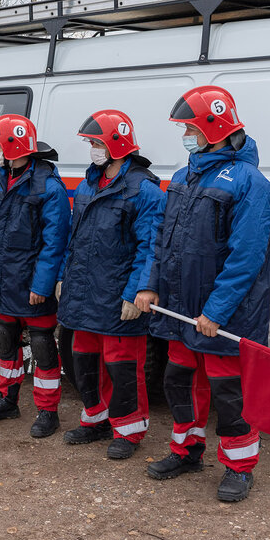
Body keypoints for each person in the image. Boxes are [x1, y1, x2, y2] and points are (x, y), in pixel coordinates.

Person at [134, 86, 270, 503]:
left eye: (189, 128)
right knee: (178, 382)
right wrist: (149, 283)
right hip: (181, 310)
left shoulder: (251, 184)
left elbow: (245, 259)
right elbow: (163, 240)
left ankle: (239, 467)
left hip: (223, 315)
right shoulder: (183, 177)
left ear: (214, 129)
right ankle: (186, 450)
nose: (185, 135)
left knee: (229, 393)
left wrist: (216, 311)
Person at [58, 110, 164, 460]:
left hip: (118, 294)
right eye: (91, 143)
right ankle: (95, 417)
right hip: (85, 292)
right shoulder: (88, 184)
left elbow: (151, 247)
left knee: (122, 366)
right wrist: (62, 276)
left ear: (117, 144)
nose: (92, 149)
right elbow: (73, 240)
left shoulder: (144, 190)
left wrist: (138, 291)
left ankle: (128, 429)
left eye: (96, 142)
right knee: (83, 360)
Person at [0, 114, 70, 438]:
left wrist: (42, 284)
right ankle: (6, 398)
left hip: (30, 285)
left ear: (13, 147)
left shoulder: (48, 187)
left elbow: (54, 242)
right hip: (1, 280)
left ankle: (47, 410)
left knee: (41, 346)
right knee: (6, 342)